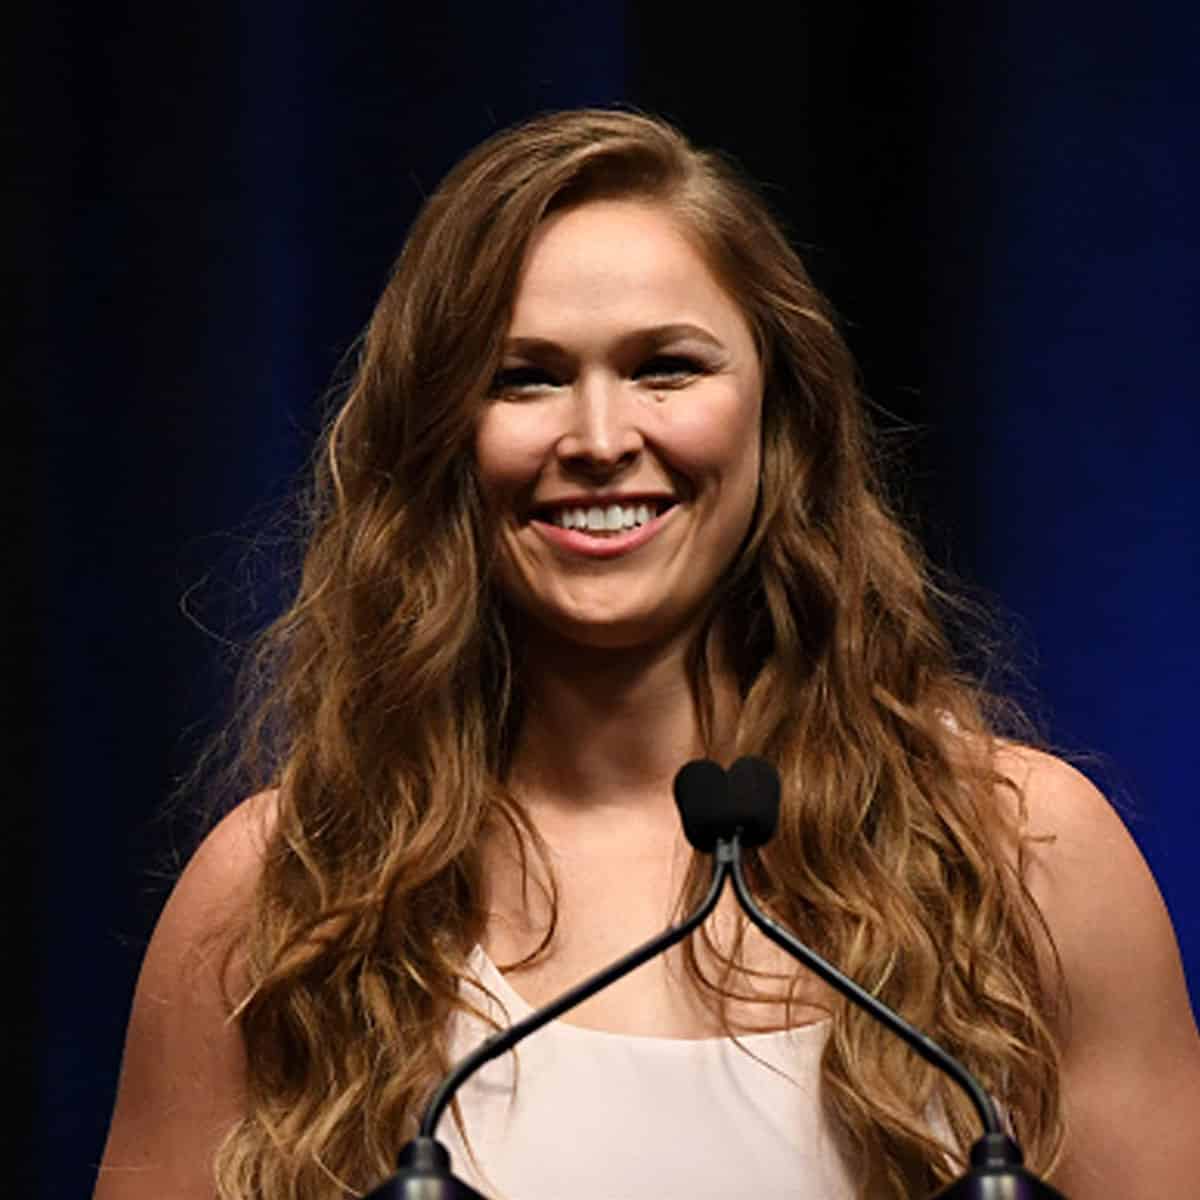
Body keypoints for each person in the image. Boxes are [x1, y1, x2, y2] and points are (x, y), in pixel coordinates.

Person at [93, 109, 1200, 1200]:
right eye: (523, 376)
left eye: (665, 366)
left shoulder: (1023, 854)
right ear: (435, 439)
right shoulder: (283, 887)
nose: (600, 439)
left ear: (784, 415)